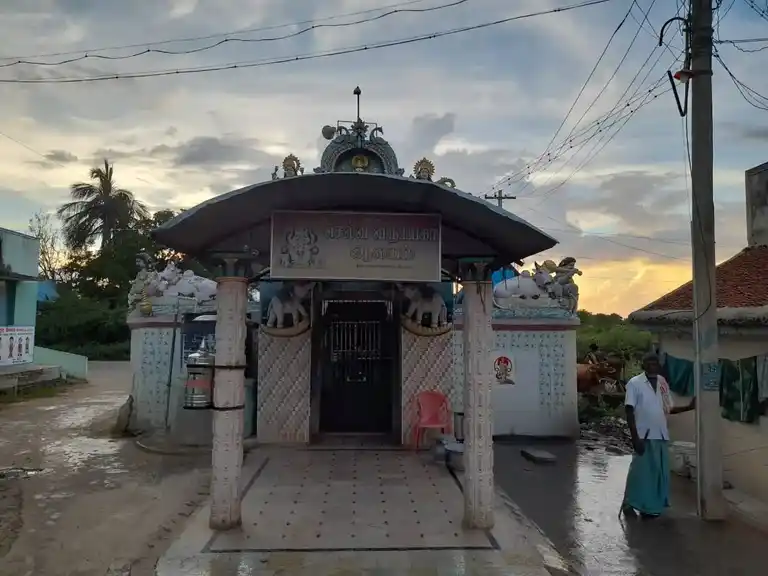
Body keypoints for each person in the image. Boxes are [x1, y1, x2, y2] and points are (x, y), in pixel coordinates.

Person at [622, 352, 695, 518]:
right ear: (643, 365)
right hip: (644, 435)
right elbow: (629, 411)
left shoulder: (662, 383)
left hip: (660, 434)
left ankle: (651, 507)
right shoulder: (634, 383)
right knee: (640, 472)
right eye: (649, 363)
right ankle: (630, 503)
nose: (652, 366)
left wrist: (689, 407)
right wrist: (635, 438)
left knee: (658, 473)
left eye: (655, 363)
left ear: (659, 366)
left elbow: (668, 408)